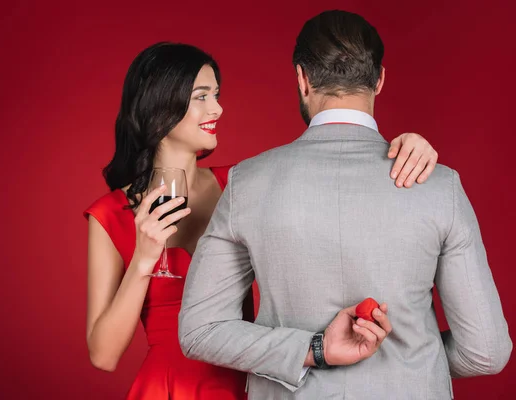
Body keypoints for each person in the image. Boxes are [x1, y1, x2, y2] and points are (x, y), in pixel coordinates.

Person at [178, 10, 512, 400]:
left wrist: (313, 350)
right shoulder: (437, 184)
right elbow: (486, 352)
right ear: (380, 79)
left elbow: (200, 330)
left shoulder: (246, 183)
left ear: (302, 79)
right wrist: (408, 357)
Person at [84, 42, 440, 399]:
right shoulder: (109, 215)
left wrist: (404, 148)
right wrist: (143, 261)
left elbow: (333, 182)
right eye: (201, 96)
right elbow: (103, 355)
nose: (218, 107)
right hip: (167, 389)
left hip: (260, 380)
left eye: (217, 95)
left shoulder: (240, 185)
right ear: (158, 103)